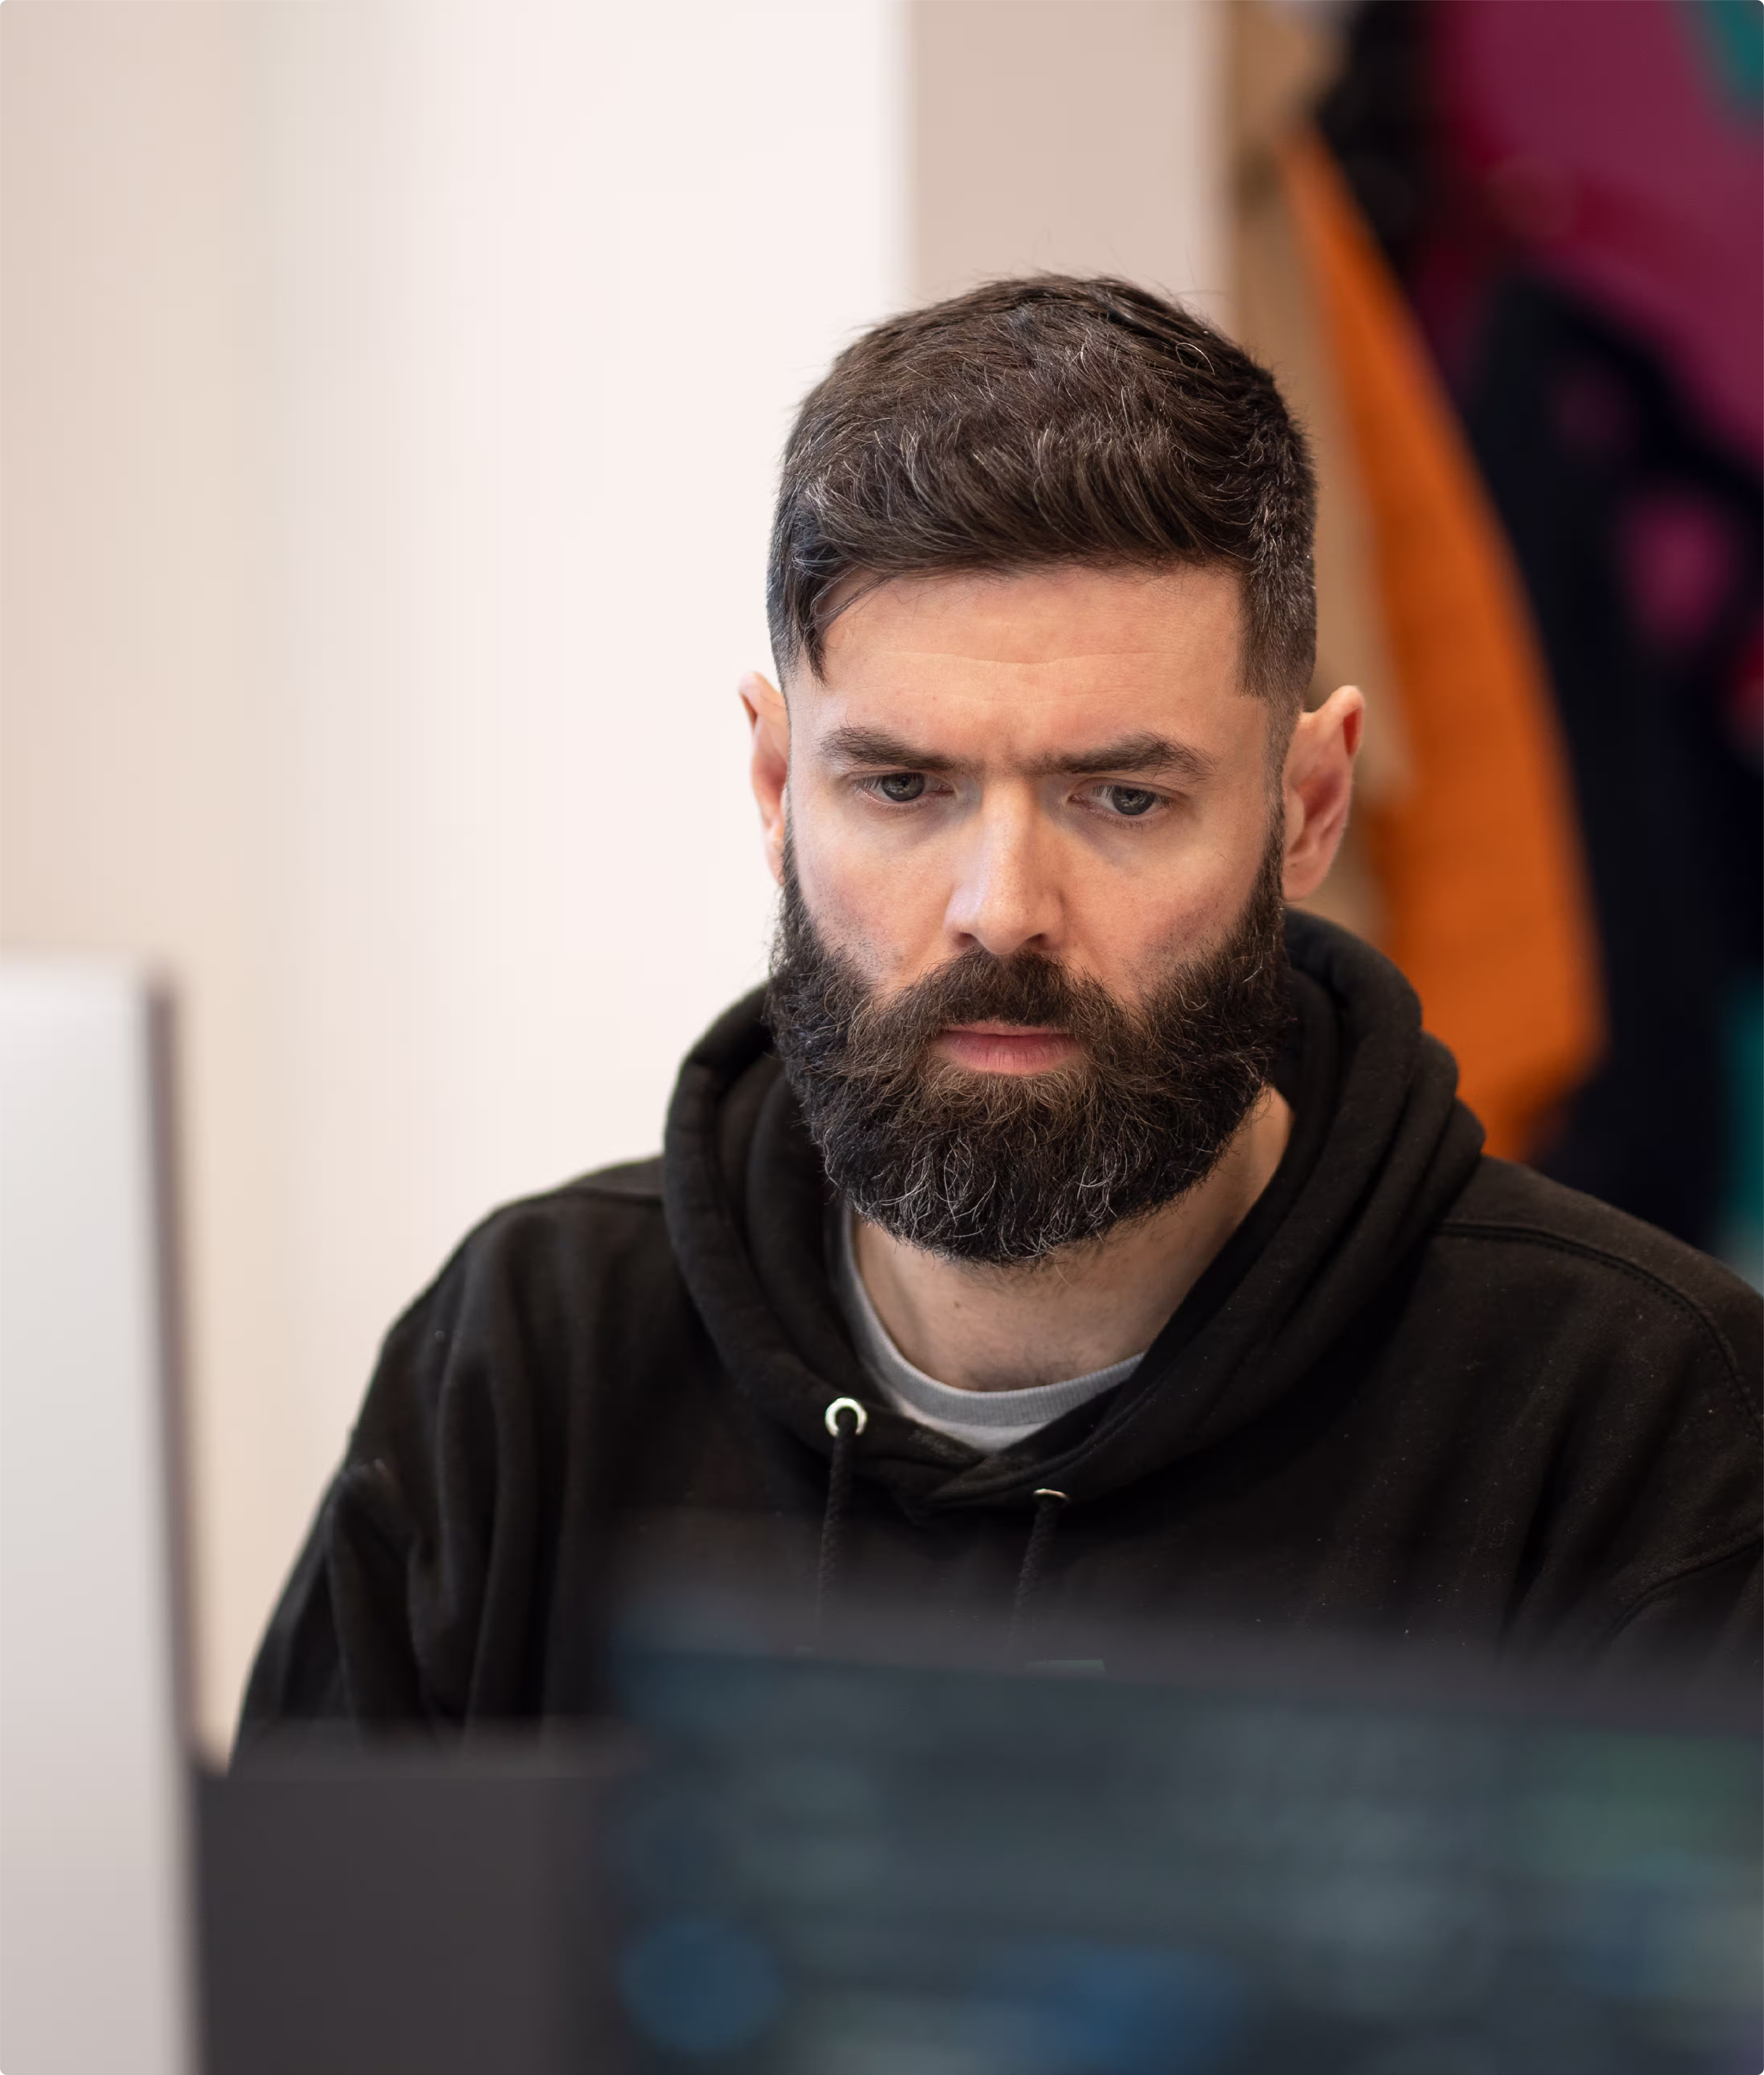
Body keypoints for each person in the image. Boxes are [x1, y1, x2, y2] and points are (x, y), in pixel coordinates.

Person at [241, 277, 1764, 1737]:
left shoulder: (1639, 1418)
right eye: (902, 787)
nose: (1003, 905)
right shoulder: (525, 1365)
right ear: (778, 788)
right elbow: (299, 2001)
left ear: (1306, 807)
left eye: (1122, 795)